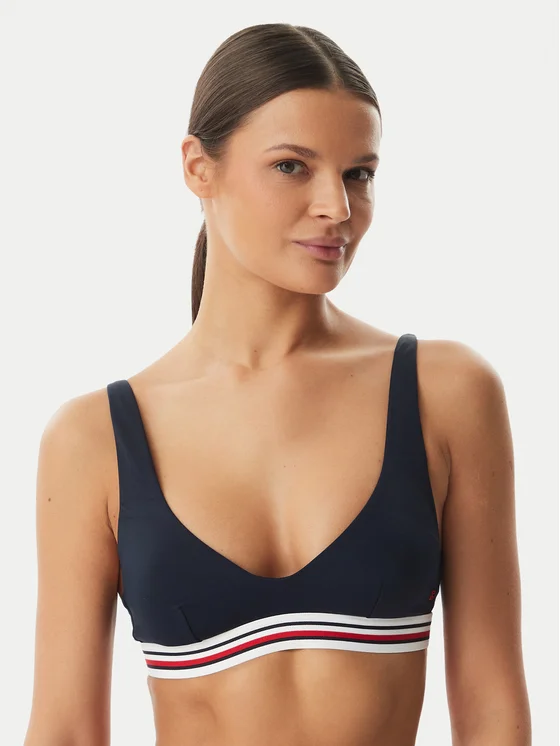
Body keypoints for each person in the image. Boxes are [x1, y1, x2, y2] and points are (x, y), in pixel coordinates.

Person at [24, 22, 531, 746]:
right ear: (198, 167)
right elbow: (66, 731)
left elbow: (493, 714)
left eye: (359, 173)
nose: (337, 207)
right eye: (292, 166)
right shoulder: (94, 440)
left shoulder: (444, 395)